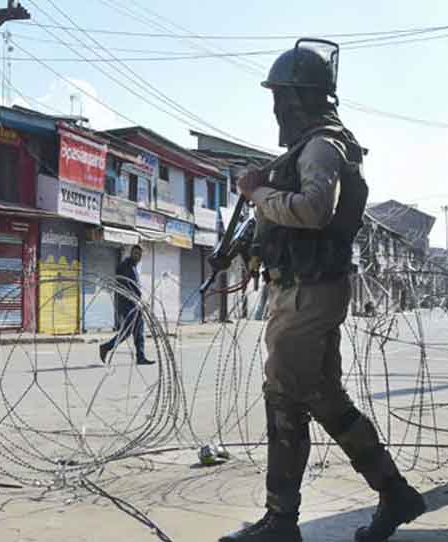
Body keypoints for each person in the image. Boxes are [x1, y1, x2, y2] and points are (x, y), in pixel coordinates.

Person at [220, 41, 425, 542]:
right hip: (304, 288)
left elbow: (314, 211)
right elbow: (289, 219)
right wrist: (247, 242)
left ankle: (281, 521)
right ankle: (395, 494)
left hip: (308, 294)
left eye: (279, 98)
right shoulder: (306, 147)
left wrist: (256, 194)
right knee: (324, 398)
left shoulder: (322, 146)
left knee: (283, 397)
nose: (275, 108)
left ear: (296, 98)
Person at [99, 244, 155, 366]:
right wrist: (137, 299)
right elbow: (127, 286)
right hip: (127, 304)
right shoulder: (126, 266)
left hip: (135, 303)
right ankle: (106, 347)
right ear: (131, 253)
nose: (138, 256)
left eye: (140, 254)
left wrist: (139, 300)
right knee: (127, 331)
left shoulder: (133, 267)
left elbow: (133, 286)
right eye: (136, 253)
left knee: (139, 331)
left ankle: (141, 357)